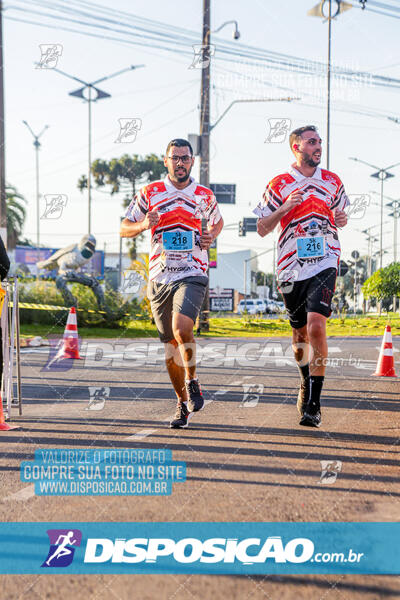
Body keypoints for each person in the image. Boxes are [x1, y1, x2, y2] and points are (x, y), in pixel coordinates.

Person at [121, 138, 223, 429]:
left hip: (193, 271)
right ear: (165, 161)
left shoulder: (204, 195)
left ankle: (193, 380)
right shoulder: (150, 192)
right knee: (169, 347)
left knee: (182, 328)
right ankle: (181, 404)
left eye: (185, 158)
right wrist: (144, 224)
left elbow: (218, 221)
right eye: (175, 158)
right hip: (159, 276)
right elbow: (124, 228)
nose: (180, 163)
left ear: (192, 162)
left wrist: (210, 236)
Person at [254, 125, 348, 427]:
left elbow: (340, 215)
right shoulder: (279, 183)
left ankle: (314, 404)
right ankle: (305, 380)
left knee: (316, 325)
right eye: (311, 142)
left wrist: (341, 218)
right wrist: (284, 207)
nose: (317, 146)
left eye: (319, 142)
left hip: (325, 259)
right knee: (299, 335)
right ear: (296, 148)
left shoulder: (332, 181)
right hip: (289, 265)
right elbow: (262, 227)